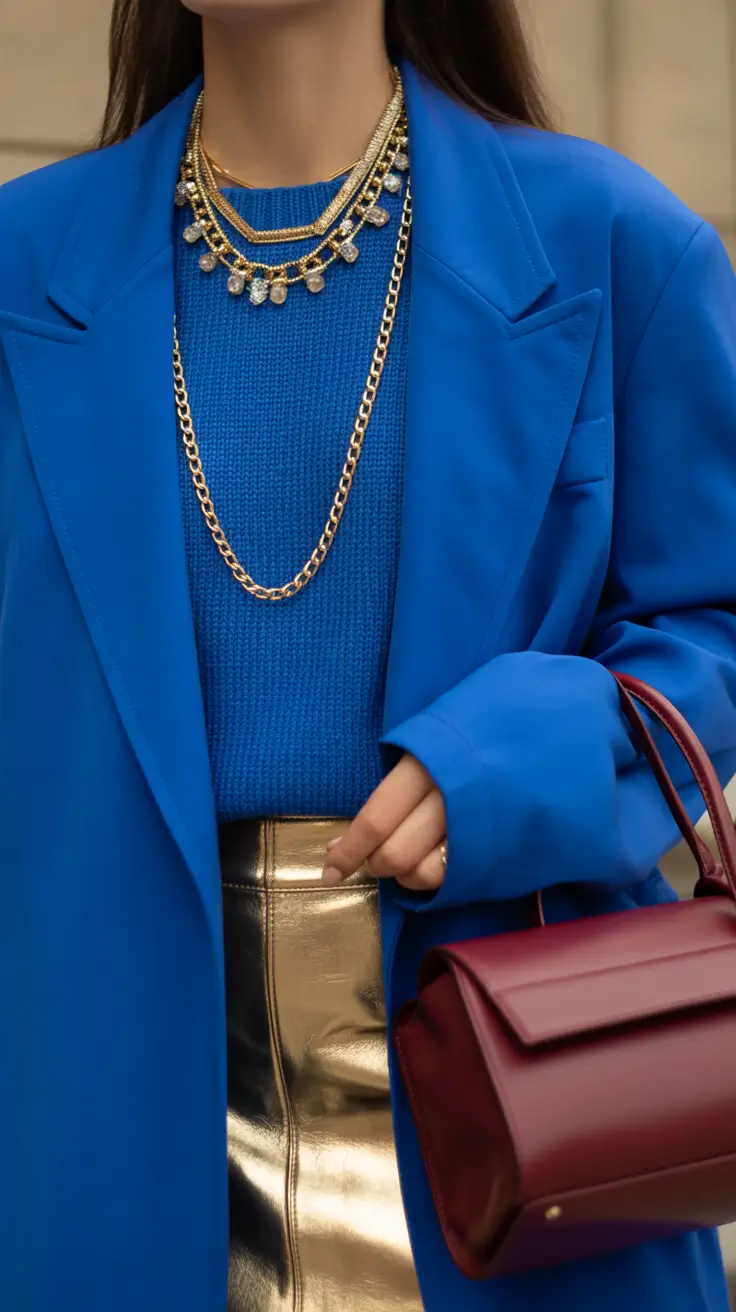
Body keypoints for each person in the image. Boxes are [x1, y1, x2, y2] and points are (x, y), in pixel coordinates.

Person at [1, 0, 735, 1309]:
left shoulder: (615, 247)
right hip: (102, 1147)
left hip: (512, 1137)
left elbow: (717, 633)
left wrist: (522, 761)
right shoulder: (21, 275)